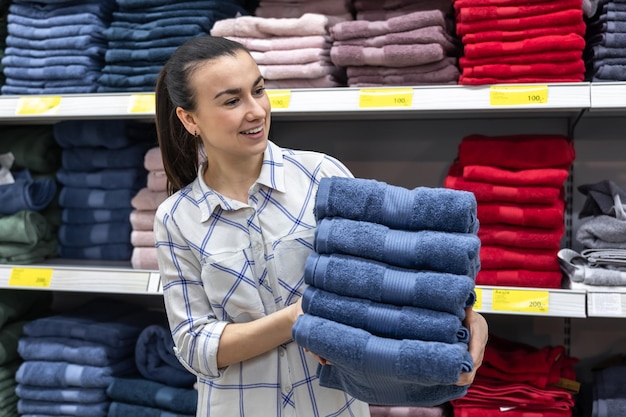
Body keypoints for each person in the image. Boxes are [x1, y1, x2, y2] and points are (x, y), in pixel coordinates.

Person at [153, 35, 488, 417]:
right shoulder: (175, 218)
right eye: (232, 101)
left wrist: (461, 320)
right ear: (189, 118)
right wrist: (300, 316)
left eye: (258, 91)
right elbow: (195, 346)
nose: (256, 110)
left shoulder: (322, 178)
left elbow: (388, 282)